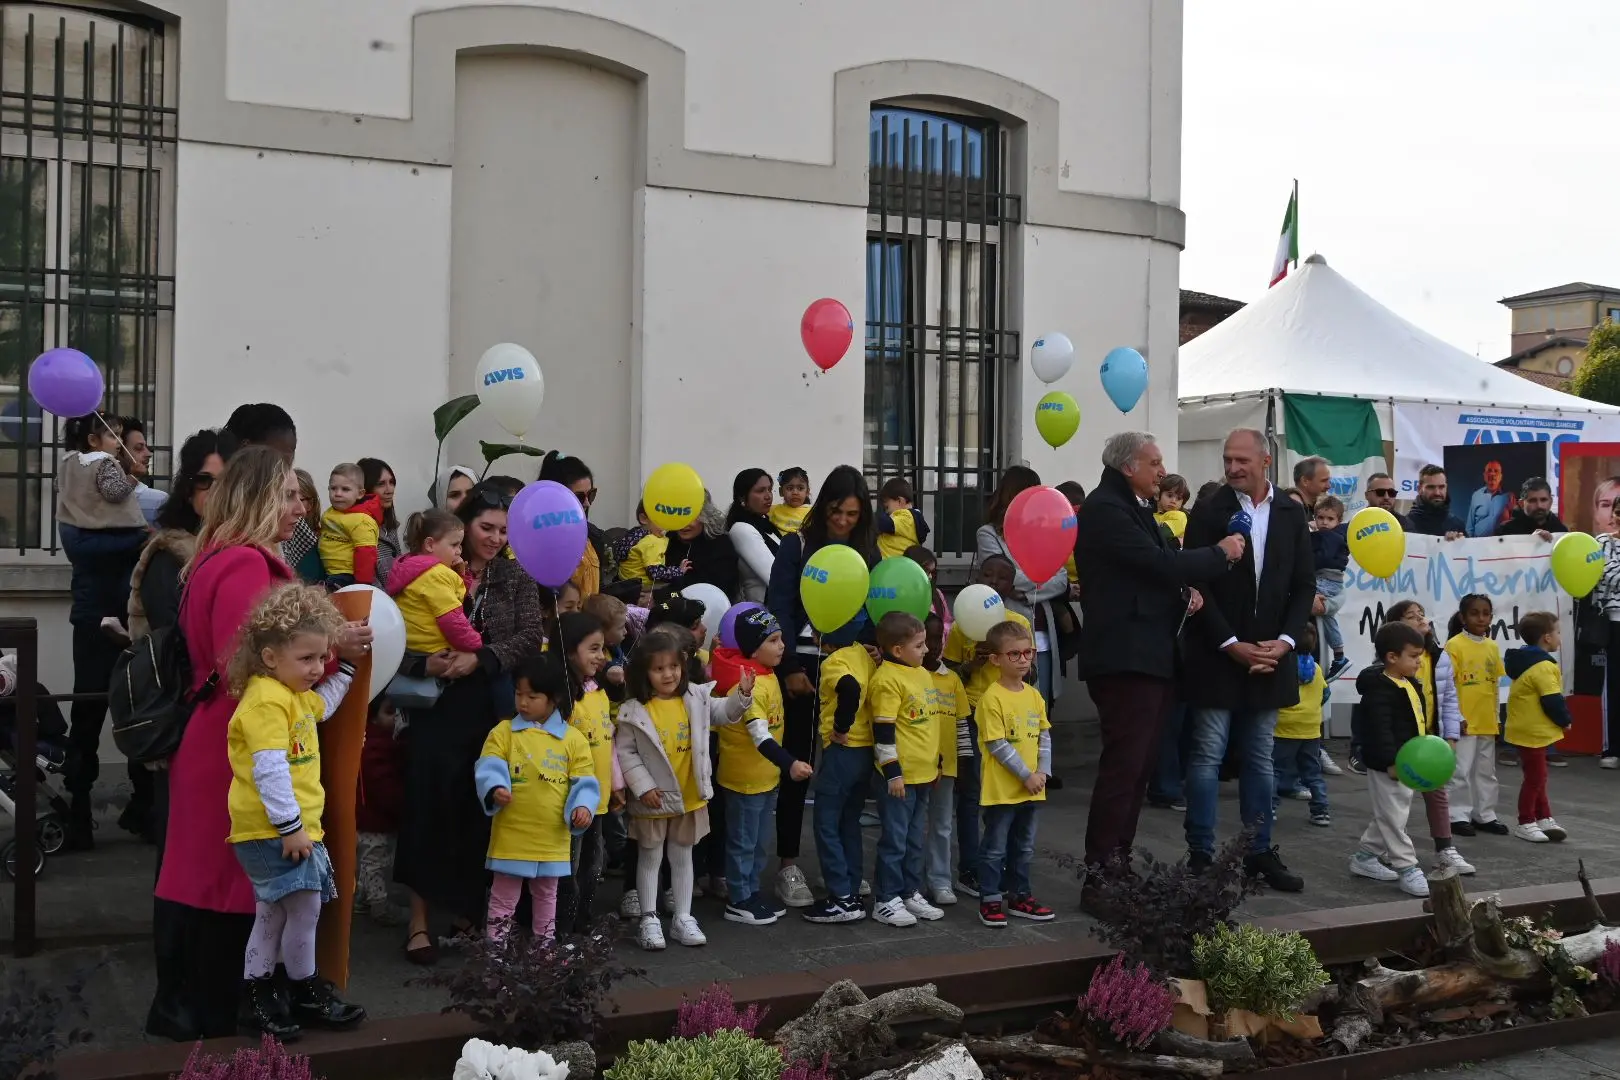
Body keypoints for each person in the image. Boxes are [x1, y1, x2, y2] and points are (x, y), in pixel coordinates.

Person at [151, 445, 371, 1041]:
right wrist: (335, 656)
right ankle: (244, 1005)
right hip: (246, 745)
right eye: (289, 495)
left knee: (208, 884)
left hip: (221, 738)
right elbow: (250, 667)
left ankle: (208, 1004)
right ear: (258, 498)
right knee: (253, 890)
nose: (300, 508)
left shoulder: (211, 559)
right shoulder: (247, 565)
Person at [1073, 431, 1236, 914]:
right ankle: (1100, 876)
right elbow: (1155, 562)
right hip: (1126, 658)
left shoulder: (1135, 507)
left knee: (1139, 768)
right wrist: (1219, 555)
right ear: (1129, 467)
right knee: (1124, 769)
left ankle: (1118, 867)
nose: (1162, 470)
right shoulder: (1106, 508)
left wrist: (1183, 591)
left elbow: (1146, 576)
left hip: (1149, 655)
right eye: (1155, 462)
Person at [396, 481, 544, 965]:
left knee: (476, 805)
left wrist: (480, 659)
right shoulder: (425, 568)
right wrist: (429, 665)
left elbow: (529, 636)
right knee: (425, 802)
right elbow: (393, 630)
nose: (495, 539)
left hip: (488, 705)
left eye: (504, 531)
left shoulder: (514, 578)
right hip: (432, 706)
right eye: (486, 527)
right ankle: (417, 922)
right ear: (464, 523)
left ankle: (467, 911)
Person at [225, 582, 365, 1037]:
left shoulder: (289, 696)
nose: (316, 668)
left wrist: (344, 669)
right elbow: (269, 770)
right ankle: (303, 990)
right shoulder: (265, 701)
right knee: (303, 911)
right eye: (307, 659)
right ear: (269, 658)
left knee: (276, 913)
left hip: (286, 829)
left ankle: (264, 997)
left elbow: (321, 706)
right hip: (276, 830)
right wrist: (291, 828)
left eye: (321, 657)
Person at [1181, 428, 1313, 892]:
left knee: (1260, 758)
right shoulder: (1209, 509)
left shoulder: (1291, 514)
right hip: (1219, 654)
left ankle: (1258, 852)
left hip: (1270, 656)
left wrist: (1284, 642)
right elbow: (1198, 581)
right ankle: (1201, 854)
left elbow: (1304, 586)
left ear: (1265, 460)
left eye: (1242, 460)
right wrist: (1230, 644)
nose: (1233, 468)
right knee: (1207, 756)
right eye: (1227, 459)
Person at [765, 464, 876, 909]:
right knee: (797, 766)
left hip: (849, 672)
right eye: (836, 512)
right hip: (804, 670)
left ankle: (843, 867)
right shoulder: (796, 547)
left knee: (846, 772)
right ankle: (789, 865)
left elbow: (877, 608)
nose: (844, 521)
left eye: (852, 514)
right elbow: (781, 608)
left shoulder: (870, 552)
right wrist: (789, 664)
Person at [128, 428, 239, 846]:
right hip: (187, 724)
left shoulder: (242, 552)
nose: (214, 492)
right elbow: (179, 648)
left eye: (225, 482)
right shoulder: (170, 555)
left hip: (237, 727)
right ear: (188, 486)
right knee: (183, 846)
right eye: (204, 481)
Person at [615, 628, 751, 950]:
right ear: (644, 672)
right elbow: (626, 753)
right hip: (654, 798)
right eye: (659, 668)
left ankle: (683, 917)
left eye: (673, 666)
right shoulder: (634, 710)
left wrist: (741, 695)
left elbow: (725, 713)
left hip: (689, 795)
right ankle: (649, 918)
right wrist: (643, 787)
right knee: (649, 858)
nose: (668, 674)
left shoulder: (697, 698)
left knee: (682, 856)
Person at [57, 411, 150, 848]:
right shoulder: (81, 500)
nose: (142, 454)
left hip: (135, 620)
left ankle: (144, 808)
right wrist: (137, 540)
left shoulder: (146, 501)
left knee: (139, 714)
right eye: (134, 445)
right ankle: (78, 811)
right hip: (94, 620)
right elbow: (81, 547)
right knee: (89, 714)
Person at [476, 653, 598, 942]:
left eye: (532, 696)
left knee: (547, 898)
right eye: (518, 693)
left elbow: (585, 780)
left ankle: (544, 957)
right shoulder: (504, 732)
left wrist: (583, 806)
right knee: (503, 899)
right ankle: (496, 958)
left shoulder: (573, 739)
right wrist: (494, 788)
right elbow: (488, 764)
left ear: (553, 698)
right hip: (512, 834)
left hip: (551, 837)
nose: (522, 702)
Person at [942, 554, 1031, 899]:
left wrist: (1007, 658)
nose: (994, 582)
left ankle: (1002, 862)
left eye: (1002, 578)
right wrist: (972, 662)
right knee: (971, 792)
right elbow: (947, 674)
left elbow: (1031, 673)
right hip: (972, 714)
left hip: (1009, 718)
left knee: (1007, 791)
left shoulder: (1016, 623)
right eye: (987, 575)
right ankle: (970, 866)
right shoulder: (965, 624)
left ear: (1011, 586)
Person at [715, 608, 808, 926]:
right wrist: (790, 763)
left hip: (766, 778)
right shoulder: (747, 687)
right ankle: (739, 898)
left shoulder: (767, 676)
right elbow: (759, 736)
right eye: (773, 640)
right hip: (744, 780)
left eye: (782, 638)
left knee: (759, 842)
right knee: (743, 841)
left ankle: (752, 891)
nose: (782, 646)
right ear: (753, 649)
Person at [1384, 601, 1474, 875]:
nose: (1421, 619)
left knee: (1438, 794)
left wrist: (1451, 734)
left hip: (1430, 739)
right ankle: (1384, 849)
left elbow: (1448, 700)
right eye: (1412, 616)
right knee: (1396, 801)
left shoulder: (1440, 657)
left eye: (1422, 615)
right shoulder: (1390, 662)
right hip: (1403, 742)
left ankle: (1445, 850)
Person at [975, 620, 1055, 928]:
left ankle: (1020, 895)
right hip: (1002, 791)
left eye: (1028, 652)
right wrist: (1025, 774)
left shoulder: (1034, 695)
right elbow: (997, 744)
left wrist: (1042, 772)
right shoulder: (991, 698)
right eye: (1014, 654)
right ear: (996, 659)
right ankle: (990, 900)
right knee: (995, 847)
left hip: (1032, 787)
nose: (1023, 660)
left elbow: (1043, 735)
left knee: (1024, 845)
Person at [866, 612, 941, 928]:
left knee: (914, 839)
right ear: (897, 650)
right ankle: (885, 898)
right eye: (920, 645)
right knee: (895, 839)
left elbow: (928, 724)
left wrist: (935, 764)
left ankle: (909, 891)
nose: (926, 650)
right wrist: (893, 773)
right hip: (900, 779)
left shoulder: (921, 673)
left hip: (923, 775)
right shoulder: (887, 680)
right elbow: (883, 731)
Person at [1348, 620, 1431, 898]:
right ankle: (1407, 867)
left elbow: (1417, 721)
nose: (1419, 663)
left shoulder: (1408, 683)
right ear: (1392, 657)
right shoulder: (1380, 690)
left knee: (1393, 812)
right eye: (1414, 657)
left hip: (1407, 761)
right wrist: (1390, 761)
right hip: (1389, 764)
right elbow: (1380, 731)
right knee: (1394, 816)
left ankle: (1365, 857)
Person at [978, 467, 1072, 704]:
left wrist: (1027, 592)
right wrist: (1027, 580)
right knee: (1012, 702)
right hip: (1008, 627)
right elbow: (1001, 576)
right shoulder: (989, 534)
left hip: (1043, 630)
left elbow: (1061, 579)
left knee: (1041, 706)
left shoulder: (1044, 532)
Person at [802, 626, 877, 924]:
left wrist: (841, 727)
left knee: (826, 822)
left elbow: (850, 689)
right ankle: (852, 887)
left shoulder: (834, 663)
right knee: (849, 821)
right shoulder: (863, 654)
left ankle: (842, 898)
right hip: (866, 751)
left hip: (842, 751)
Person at [555, 611, 617, 935]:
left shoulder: (598, 691)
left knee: (592, 867)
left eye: (602, 648)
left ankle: (582, 921)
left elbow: (608, 739)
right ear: (569, 650)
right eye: (593, 649)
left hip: (600, 797)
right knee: (570, 868)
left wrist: (617, 783)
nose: (601, 657)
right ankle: (561, 928)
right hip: (571, 802)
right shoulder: (561, 699)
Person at [1503, 612, 1570, 844]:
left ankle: (1544, 817)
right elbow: (1552, 699)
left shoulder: (1525, 661)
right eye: (1558, 632)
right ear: (1547, 638)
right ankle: (1525, 821)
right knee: (1536, 778)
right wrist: (1565, 720)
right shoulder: (1543, 666)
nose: (1560, 636)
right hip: (1533, 731)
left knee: (1537, 776)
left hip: (1526, 729)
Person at [1444, 594, 1507, 837]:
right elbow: (1449, 686)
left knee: (1485, 771)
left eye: (1486, 613)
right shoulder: (1455, 645)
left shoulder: (1492, 646)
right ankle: (1457, 815)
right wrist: (1455, 717)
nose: (1481, 618)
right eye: (1474, 613)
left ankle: (1485, 814)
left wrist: (1497, 718)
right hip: (1464, 721)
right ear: (1463, 617)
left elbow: (1494, 685)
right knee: (1460, 770)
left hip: (1487, 721)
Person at [921, 613, 970, 906]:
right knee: (913, 827)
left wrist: (963, 762)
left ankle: (940, 880)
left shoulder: (951, 679)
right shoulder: (910, 676)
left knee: (941, 826)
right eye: (926, 639)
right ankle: (910, 881)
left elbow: (962, 724)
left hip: (947, 767)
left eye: (938, 638)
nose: (932, 645)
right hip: (916, 768)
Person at [386, 509, 483, 655]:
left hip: (412, 647)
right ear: (430, 544)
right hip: (434, 649)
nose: (458, 552)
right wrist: (477, 645)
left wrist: (460, 575)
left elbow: (455, 596)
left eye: (460, 545)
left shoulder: (411, 567)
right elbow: (452, 620)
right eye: (454, 545)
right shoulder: (436, 575)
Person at [355, 694, 408, 926]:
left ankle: (363, 900)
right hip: (374, 818)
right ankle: (379, 906)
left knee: (370, 861)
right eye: (389, 712)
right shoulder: (378, 745)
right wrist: (401, 805)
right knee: (375, 863)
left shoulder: (373, 741)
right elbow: (383, 786)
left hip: (372, 816)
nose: (396, 717)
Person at [1273, 623, 1331, 827]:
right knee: (1312, 773)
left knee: (1275, 769)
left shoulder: (1282, 665)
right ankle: (1321, 810)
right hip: (1311, 730)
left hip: (1283, 727)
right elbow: (1325, 693)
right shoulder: (1316, 668)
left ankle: (1270, 807)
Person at [539, 450, 603, 600]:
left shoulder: (593, 536)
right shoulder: (538, 540)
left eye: (591, 494)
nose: (587, 503)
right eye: (579, 496)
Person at [658, 495, 739, 601]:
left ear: (705, 516)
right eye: (679, 515)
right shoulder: (667, 541)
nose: (684, 523)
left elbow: (710, 592)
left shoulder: (721, 545)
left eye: (691, 516)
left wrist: (659, 596)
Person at [726, 469, 784, 604]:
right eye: (760, 491)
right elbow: (776, 577)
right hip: (764, 613)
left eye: (770, 489)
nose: (768, 496)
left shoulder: (766, 523)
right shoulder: (741, 529)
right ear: (742, 497)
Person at [1311, 495, 1352, 681]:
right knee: (1328, 617)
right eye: (1320, 518)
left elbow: (1323, 558)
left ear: (1339, 520)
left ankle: (1339, 656)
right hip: (1329, 580)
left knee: (1309, 599)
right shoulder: (1333, 536)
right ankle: (1339, 655)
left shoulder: (1330, 537)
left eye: (1330, 519)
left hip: (1326, 580)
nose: (1324, 522)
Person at [359, 458, 403, 583]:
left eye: (391, 482)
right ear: (365, 489)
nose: (389, 490)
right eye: (381, 484)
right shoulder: (359, 528)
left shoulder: (389, 526)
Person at [286, 470, 326, 583]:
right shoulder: (279, 541)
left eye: (300, 499)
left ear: (311, 503)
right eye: (288, 498)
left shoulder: (325, 536)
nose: (298, 507)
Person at [876, 478, 931, 561]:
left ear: (900, 501)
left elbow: (887, 524)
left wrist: (871, 515)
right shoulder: (906, 517)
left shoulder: (907, 517)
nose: (886, 512)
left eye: (887, 507)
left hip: (893, 564)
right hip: (890, 563)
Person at [1494, 478, 1567, 538]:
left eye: (1543, 500)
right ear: (1521, 504)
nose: (1539, 505)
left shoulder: (1562, 532)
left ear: (1550, 502)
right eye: (1532, 501)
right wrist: (1530, 541)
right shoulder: (1505, 532)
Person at [904, 545, 952, 634]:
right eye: (926, 571)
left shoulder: (937, 593)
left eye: (932, 572)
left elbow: (947, 621)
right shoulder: (901, 594)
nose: (930, 576)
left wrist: (939, 630)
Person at [1407, 465, 1465, 539]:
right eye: (1431, 487)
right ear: (1419, 489)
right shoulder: (1407, 524)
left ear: (1446, 488)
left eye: (1441, 487)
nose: (1437, 493)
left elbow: (1469, 550)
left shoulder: (1457, 525)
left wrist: (1458, 546)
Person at [770, 467, 812, 534]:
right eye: (789, 488)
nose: (795, 492)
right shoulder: (773, 510)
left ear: (807, 492)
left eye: (800, 488)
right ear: (781, 492)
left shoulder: (812, 513)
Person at [1154, 473, 1191, 548]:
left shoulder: (1179, 516)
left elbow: (1160, 534)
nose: (1173, 501)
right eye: (1169, 495)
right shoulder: (1151, 512)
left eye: (1179, 498)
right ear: (1157, 495)